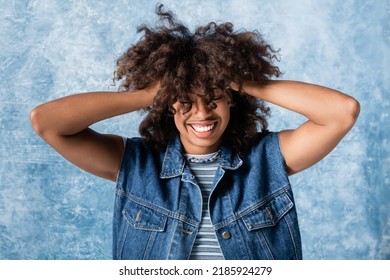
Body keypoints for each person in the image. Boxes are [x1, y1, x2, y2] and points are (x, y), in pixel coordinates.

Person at [30, 5, 360, 260]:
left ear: (232, 101)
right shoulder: (135, 164)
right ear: (168, 106)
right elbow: (46, 122)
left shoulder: (268, 158)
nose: (202, 113)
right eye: (185, 102)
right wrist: (147, 94)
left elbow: (342, 113)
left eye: (215, 99)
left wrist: (242, 80)